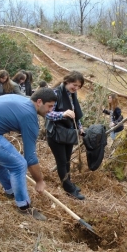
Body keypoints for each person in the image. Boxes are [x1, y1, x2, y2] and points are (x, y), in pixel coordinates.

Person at [0, 88, 57, 221]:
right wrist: (39, 181)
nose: (51, 110)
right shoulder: (29, 117)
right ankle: (24, 207)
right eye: (50, 106)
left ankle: (11, 191)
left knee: (0, 161)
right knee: (19, 165)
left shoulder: (23, 100)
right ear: (39, 101)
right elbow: (30, 158)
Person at [45, 71, 86, 200]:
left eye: (79, 86)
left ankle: (68, 182)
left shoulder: (71, 95)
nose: (76, 88)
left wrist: (80, 127)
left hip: (68, 133)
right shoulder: (56, 93)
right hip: (56, 134)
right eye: (74, 84)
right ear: (67, 81)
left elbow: (75, 115)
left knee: (67, 160)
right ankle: (69, 189)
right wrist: (62, 114)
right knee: (62, 162)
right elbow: (46, 113)